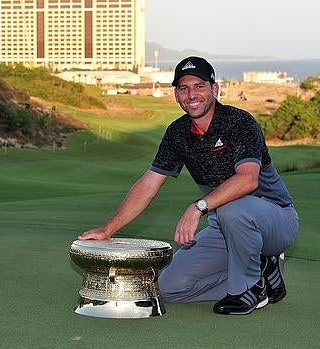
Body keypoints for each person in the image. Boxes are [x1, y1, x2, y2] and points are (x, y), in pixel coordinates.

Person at [78, 56, 299, 315]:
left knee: (233, 210)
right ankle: (262, 275)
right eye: (183, 88)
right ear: (176, 95)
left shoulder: (239, 122)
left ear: (214, 89)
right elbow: (149, 183)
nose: (191, 94)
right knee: (170, 287)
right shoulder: (178, 133)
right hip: (225, 224)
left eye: (199, 86)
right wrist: (107, 229)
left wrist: (198, 207)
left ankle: (246, 290)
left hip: (275, 220)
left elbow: (248, 179)